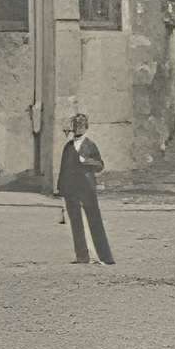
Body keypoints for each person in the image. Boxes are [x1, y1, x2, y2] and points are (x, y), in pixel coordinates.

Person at [56, 111, 113, 265]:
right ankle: (82, 256)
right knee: (75, 222)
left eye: (81, 125)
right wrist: (60, 188)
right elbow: (63, 168)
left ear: (86, 128)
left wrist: (85, 161)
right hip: (70, 189)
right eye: (76, 125)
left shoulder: (90, 145)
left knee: (94, 220)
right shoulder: (68, 147)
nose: (78, 128)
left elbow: (100, 165)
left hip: (87, 187)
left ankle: (105, 257)